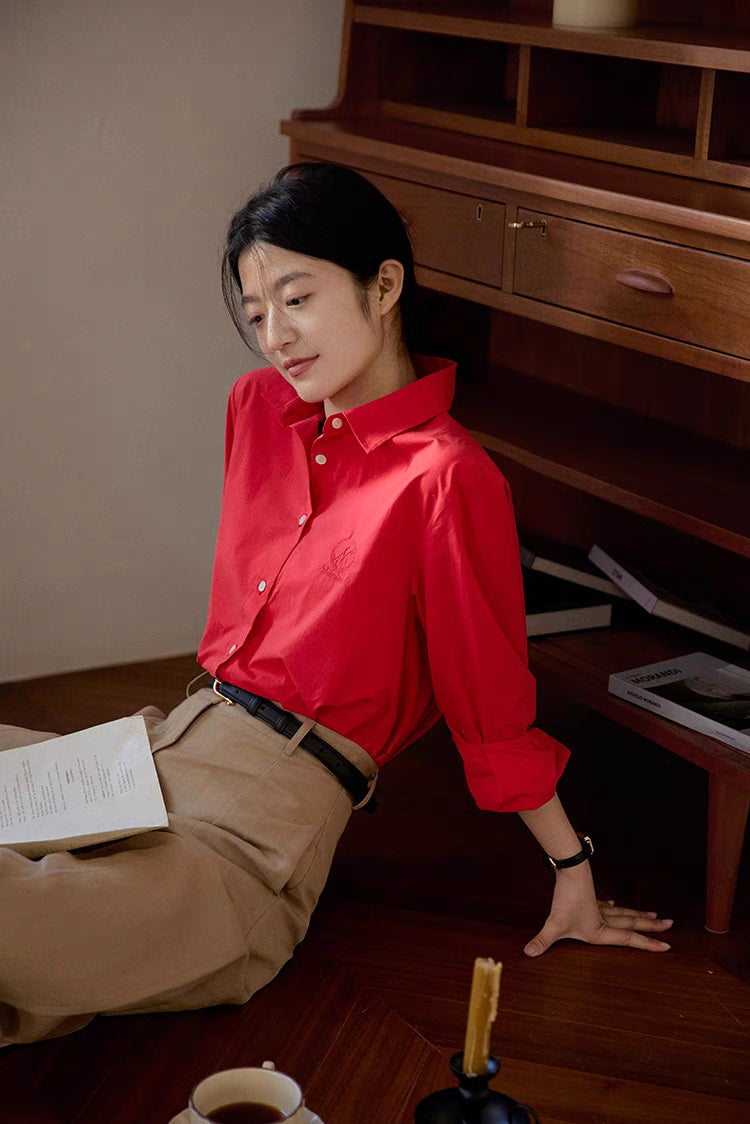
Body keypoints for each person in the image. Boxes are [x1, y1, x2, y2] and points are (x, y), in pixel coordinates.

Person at [0, 163, 672, 1047]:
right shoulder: (259, 409)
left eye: (297, 298)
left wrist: (572, 867)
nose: (275, 336)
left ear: (385, 283)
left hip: (252, 839)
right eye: (255, 314)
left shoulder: (447, 479)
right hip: (155, 753)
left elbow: (489, 704)